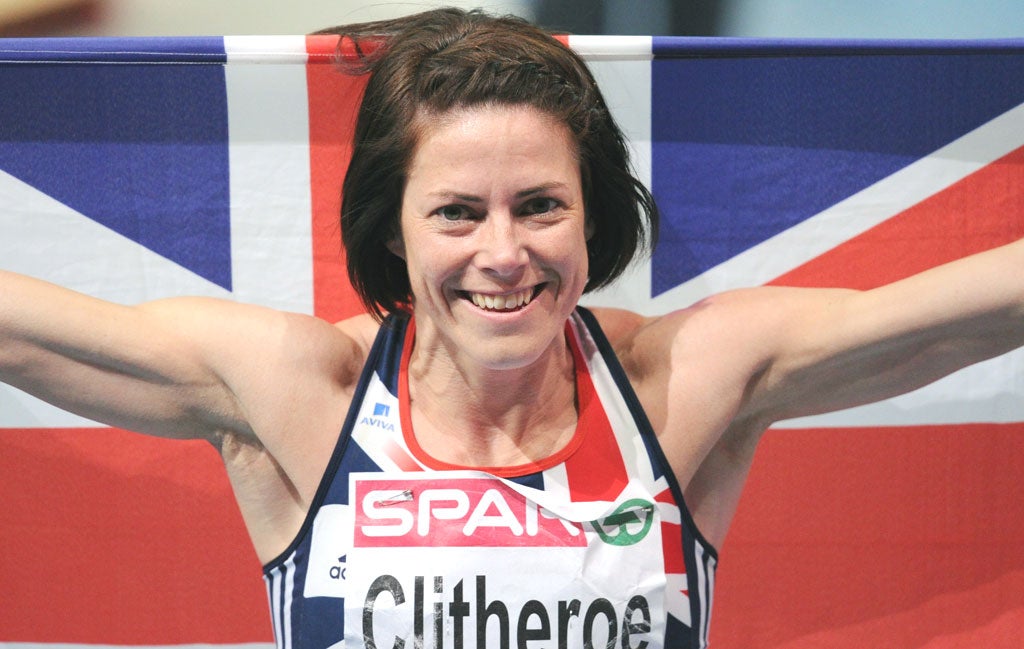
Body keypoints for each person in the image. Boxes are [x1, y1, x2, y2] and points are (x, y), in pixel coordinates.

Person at [1, 7, 1022, 649]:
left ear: (593, 214)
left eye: (539, 205)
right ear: (391, 231)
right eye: (456, 211)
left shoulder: (680, 380)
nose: (503, 253)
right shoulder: (297, 388)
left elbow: (964, 314)